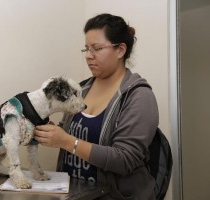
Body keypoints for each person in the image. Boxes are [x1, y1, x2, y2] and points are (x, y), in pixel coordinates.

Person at [35, 13, 159, 200]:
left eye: (97, 48)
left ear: (120, 50)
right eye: (86, 50)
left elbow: (126, 159)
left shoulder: (139, 96)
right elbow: (70, 133)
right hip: (77, 194)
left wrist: (67, 142)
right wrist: (54, 133)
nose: (89, 56)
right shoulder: (82, 89)